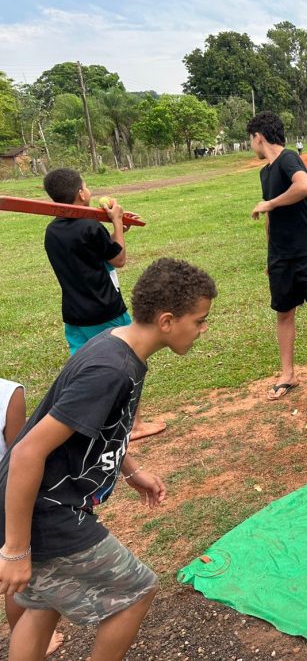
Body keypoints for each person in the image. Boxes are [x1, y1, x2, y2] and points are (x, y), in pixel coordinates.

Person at [0, 258, 216, 661]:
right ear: (167, 321)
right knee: (137, 590)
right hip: (46, 510)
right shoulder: (110, 370)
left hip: (45, 503)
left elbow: (102, 429)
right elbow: (28, 450)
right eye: (199, 321)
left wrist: (131, 471)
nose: (203, 330)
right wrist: (15, 549)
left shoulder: (120, 345)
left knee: (45, 603)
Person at [42, 168, 166, 439]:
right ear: (81, 193)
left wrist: (119, 230)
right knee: (130, 361)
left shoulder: (52, 231)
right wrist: (117, 223)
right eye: (86, 186)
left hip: (74, 316)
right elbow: (118, 259)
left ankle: (85, 424)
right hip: (105, 310)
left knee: (85, 369)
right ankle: (135, 425)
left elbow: (96, 251)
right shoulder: (89, 225)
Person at [247, 111, 307, 400]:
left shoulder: (288, 158)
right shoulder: (265, 172)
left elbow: (304, 187)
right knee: (284, 313)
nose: (251, 145)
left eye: (250, 139)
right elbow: (270, 218)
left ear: (258, 137)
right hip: (281, 256)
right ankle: (288, 374)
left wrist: (270, 203)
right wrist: (270, 254)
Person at [0, 379, 64, 657]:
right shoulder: (8, 393)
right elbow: (20, 454)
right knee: (19, 581)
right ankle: (27, 639)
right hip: (6, 501)